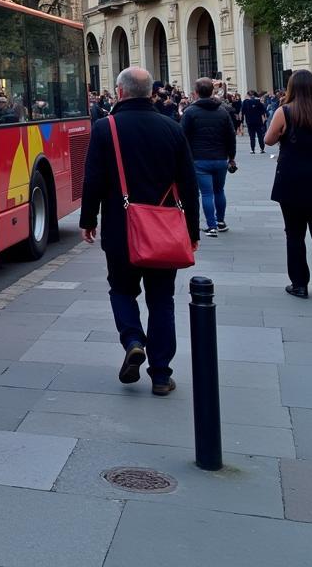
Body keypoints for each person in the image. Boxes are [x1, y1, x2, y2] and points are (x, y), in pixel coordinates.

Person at [80, 67, 200, 395]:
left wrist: (88, 220)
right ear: (150, 92)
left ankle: (133, 339)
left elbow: (92, 180)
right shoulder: (172, 127)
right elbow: (189, 185)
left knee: (121, 290)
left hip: (121, 229)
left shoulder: (106, 129)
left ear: (120, 93)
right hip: (163, 230)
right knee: (162, 299)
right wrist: (192, 231)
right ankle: (161, 374)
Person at [264, 69, 312, 302]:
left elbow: (268, 140)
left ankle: (299, 284)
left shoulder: (285, 111)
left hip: (292, 178)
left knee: (294, 234)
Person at [180, 77, 237, 237]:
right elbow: (231, 136)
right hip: (220, 158)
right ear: (212, 92)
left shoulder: (190, 112)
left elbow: (182, 136)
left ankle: (211, 226)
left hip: (199, 159)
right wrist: (231, 157)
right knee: (219, 190)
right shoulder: (222, 111)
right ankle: (221, 221)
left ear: (196, 93)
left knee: (206, 193)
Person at [242, 89, 267, 154]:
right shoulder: (259, 102)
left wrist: (242, 121)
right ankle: (262, 149)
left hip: (249, 121)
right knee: (260, 135)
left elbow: (242, 112)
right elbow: (263, 111)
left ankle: (252, 149)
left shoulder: (245, 102)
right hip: (258, 121)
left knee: (252, 136)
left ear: (248, 95)